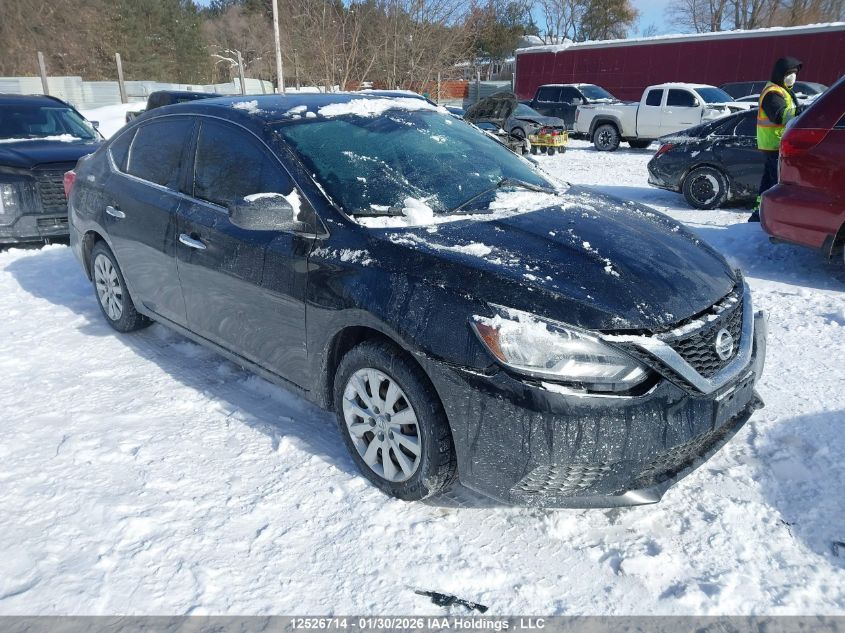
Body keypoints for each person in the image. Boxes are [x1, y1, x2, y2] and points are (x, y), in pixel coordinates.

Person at [750, 56, 803, 222]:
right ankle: (773, 220)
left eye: (795, 73)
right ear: (781, 74)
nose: (793, 76)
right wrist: (802, 111)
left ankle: (757, 215)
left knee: (766, 186)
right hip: (774, 145)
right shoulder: (772, 92)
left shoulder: (782, 90)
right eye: (789, 73)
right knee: (775, 186)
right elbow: (779, 116)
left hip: (775, 145)